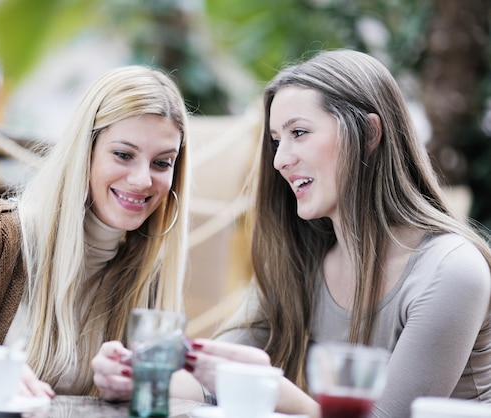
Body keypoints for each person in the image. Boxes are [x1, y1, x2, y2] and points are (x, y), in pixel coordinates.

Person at [92, 49, 491, 418]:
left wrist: (274, 391)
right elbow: (211, 380)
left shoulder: (450, 272)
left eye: (299, 133)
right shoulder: (303, 257)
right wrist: (139, 376)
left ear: (369, 136)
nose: (281, 161)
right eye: (276, 141)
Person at [0, 64, 192, 398]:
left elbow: (183, 388)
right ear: (84, 153)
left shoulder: (150, 273)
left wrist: (158, 385)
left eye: (162, 163)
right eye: (123, 154)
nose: (142, 180)